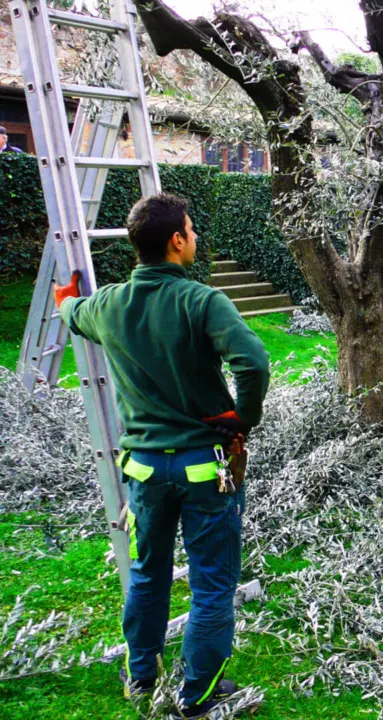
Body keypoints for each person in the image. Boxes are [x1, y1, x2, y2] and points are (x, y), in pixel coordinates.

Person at [54, 194, 270, 718]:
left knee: (148, 573)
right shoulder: (202, 301)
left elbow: (72, 312)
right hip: (205, 469)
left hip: (143, 471)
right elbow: (255, 363)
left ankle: (142, 677)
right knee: (212, 582)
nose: (194, 237)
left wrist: (65, 297)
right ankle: (197, 696)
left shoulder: (106, 306)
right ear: (177, 241)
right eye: (191, 231)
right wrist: (243, 419)